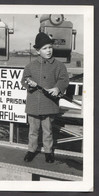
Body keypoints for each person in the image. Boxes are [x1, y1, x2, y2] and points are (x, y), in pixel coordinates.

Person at [21, 32, 69, 163]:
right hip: (33, 105)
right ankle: (31, 150)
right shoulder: (30, 66)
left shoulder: (59, 65)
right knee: (33, 131)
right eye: (44, 48)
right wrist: (29, 84)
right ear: (37, 51)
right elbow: (23, 80)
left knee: (48, 131)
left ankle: (49, 152)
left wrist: (57, 88)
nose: (48, 50)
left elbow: (64, 80)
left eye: (50, 47)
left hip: (49, 104)